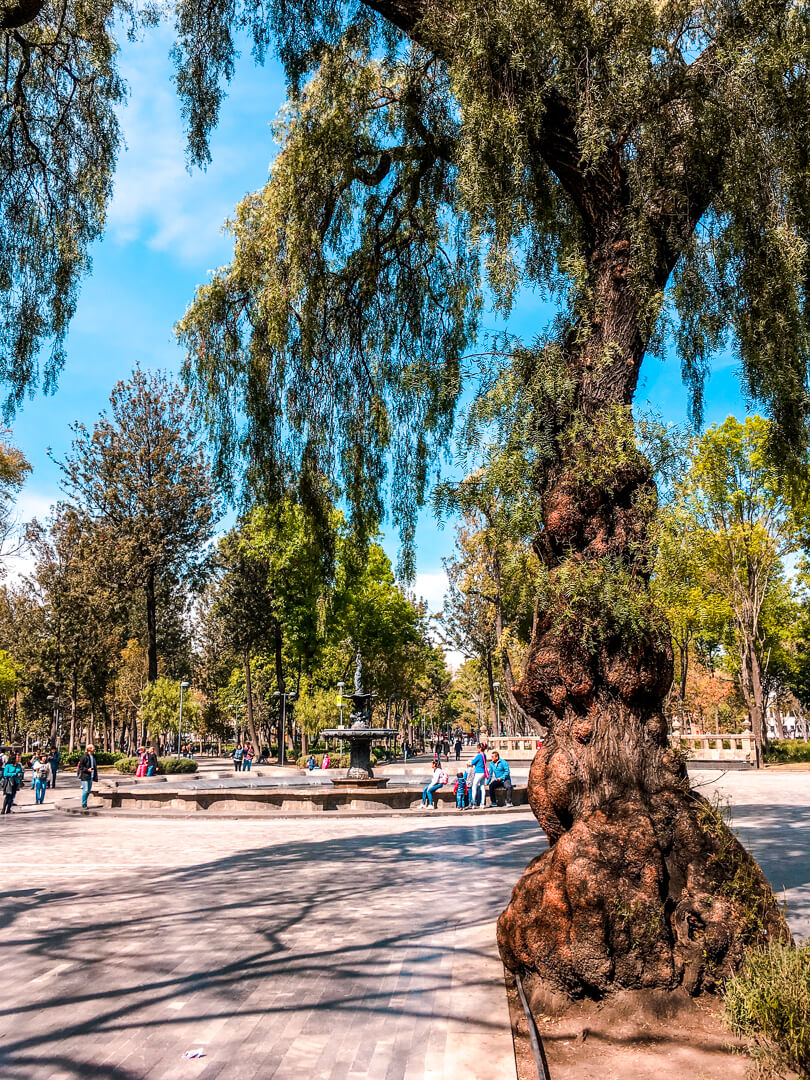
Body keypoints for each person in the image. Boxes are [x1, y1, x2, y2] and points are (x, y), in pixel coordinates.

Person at [76, 744, 98, 809]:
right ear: (89, 749)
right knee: (85, 790)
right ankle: (84, 803)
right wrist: (87, 770)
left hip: (91, 776)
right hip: (85, 776)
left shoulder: (93, 756)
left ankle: (85, 802)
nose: (94, 749)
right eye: (93, 748)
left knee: (88, 790)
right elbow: (80, 767)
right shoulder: (84, 757)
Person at [469, 743, 488, 808]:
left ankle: (473, 802)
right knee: (482, 787)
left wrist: (469, 762)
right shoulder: (484, 755)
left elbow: (473, 762)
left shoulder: (479, 755)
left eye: (478, 748)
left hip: (478, 772)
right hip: (483, 772)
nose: (477, 749)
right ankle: (482, 803)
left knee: (474, 786)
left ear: (480, 748)